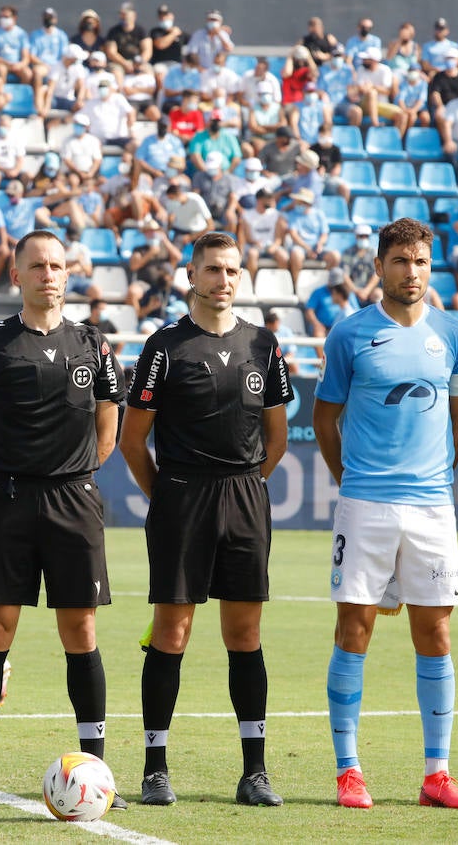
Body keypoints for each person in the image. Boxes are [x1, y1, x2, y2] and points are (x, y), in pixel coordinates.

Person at [0, 231, 126, 811]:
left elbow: (108, 422)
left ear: (67, 275)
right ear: (16, 276)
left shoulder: (93, 344)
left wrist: (78, 473)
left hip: (75, 503)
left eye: (57, 266)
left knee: (81, 632)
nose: (49, 274)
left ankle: (95, 769)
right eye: (37, 266)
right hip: (11, 503)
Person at [119, 232, 292, 808]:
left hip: (245, 496)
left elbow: (277, 437)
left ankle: (255, 772)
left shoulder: (262, 344)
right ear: (191, 277)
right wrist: (166, 494)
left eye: (232, 271)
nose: (223, 280)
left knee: (245, 635)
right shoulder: (164, 346)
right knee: (172, 632)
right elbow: (133, 440)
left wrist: (245, 486)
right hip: (182, 499)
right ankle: (155, 768)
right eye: (213, 270)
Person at [312, 217, 458, 810]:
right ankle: (348, 771)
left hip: (432, 506)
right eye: (402, 261)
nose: (413, 273)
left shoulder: (457, 334)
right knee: (354, 630)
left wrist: (440, 475)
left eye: (422, 263)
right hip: (366, 503)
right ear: (380, 267)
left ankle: (437, 774)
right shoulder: (350, 335)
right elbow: (324, 417)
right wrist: (347, 479)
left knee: (435, 633)